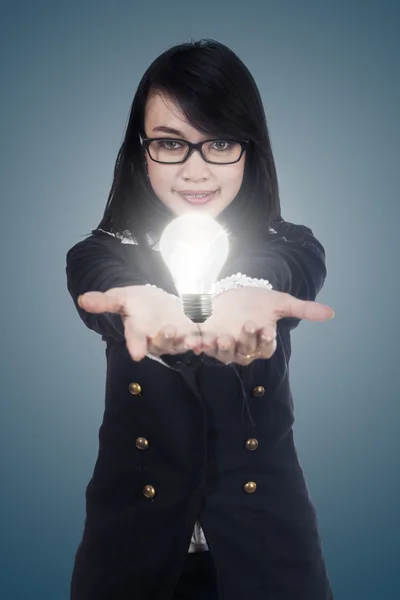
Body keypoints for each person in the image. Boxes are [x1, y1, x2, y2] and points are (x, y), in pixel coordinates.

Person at [66, 39, 335, 600]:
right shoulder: (100, 253)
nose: (195, 170)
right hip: (131, 554)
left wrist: (242, 293)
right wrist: (145, 307)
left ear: (250, 149)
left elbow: (286, 268)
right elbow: (100, 284)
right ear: (141, 150)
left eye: (218, 143)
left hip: (268, 553)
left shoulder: (292, 246)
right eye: (170, 143)